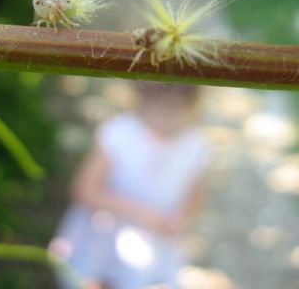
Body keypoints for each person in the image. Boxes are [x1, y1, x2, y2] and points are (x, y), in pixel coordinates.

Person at [49, 83, 210, 289]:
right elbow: (84, 190)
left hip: (155, 238)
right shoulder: (119, 134)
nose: (169, 119)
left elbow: (196, 195)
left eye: (177, 109)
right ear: (140, 99)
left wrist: (182, 218)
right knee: (96, 280)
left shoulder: (196, 146)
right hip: (104, 233)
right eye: (162, 109)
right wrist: (140, 213)